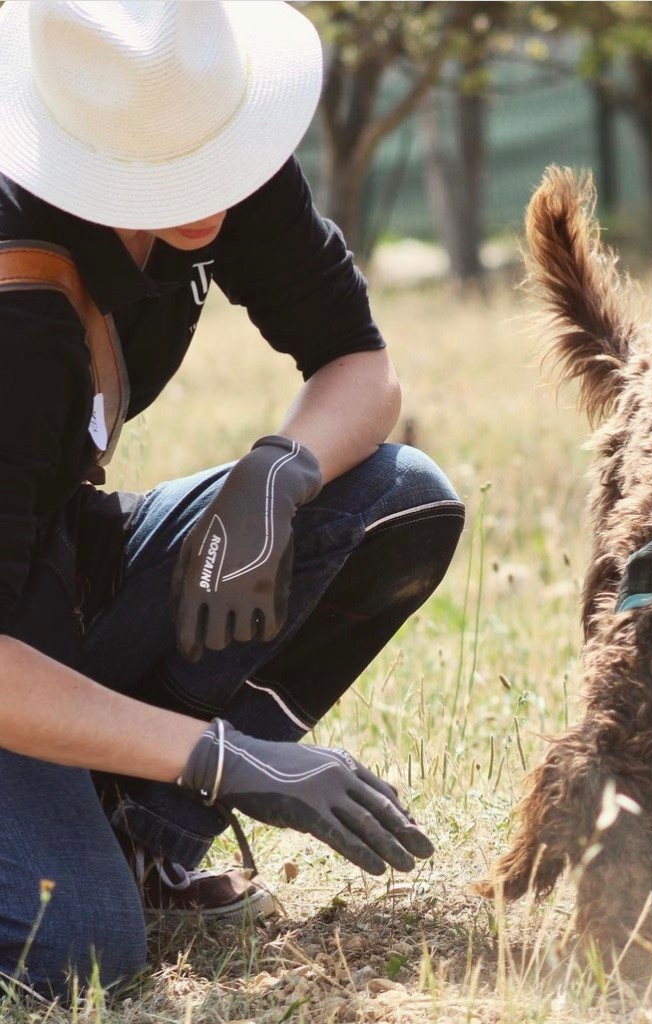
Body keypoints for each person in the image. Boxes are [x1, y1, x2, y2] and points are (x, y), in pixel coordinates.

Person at [0, 0, 465, 998]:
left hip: (43, 568)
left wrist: (279, 472)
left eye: (212, 153)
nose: (208, 190)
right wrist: (222, 757)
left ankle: (141, 836)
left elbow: (359, 364)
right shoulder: (14, 314)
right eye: (166, 171)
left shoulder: (215, 151)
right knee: (71, 949)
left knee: (395, 501)